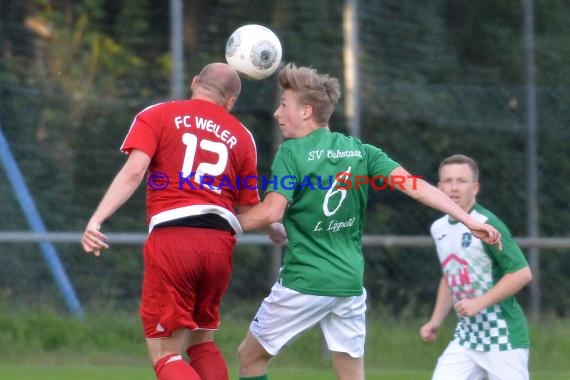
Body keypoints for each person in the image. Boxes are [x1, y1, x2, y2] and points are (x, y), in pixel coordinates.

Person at [235, 63, 502, 380]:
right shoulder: (360, 151)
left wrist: (219, 221)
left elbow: (270, 211)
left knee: (249, 358)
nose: (277, 113)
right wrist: (467, 218)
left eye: (283, 105)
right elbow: (417, 186)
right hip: (349, 283)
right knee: (352, 376)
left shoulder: (290, 153)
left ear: (306, 111)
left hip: (306, 281)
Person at [81, 62, 277, 380]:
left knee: (165, 353)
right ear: (231, 102)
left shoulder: (158, 115)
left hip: (174, 240)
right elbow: (249, 206)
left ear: (195, 82)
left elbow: (134, 173)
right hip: (219, 247)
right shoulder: (242, 136)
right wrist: (273, 226)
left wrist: (97, 220)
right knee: (201, 342)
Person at [420, 154, 532, 380]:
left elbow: (521, 273)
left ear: (475, 187)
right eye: (448, 181)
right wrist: (435, 320)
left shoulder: (486, 224)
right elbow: (449, 276)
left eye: (461, 181)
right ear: (439, 188)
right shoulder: (439, 227)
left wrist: (479, 303)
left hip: (503, 338)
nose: (454, 187)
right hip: (467, 339)